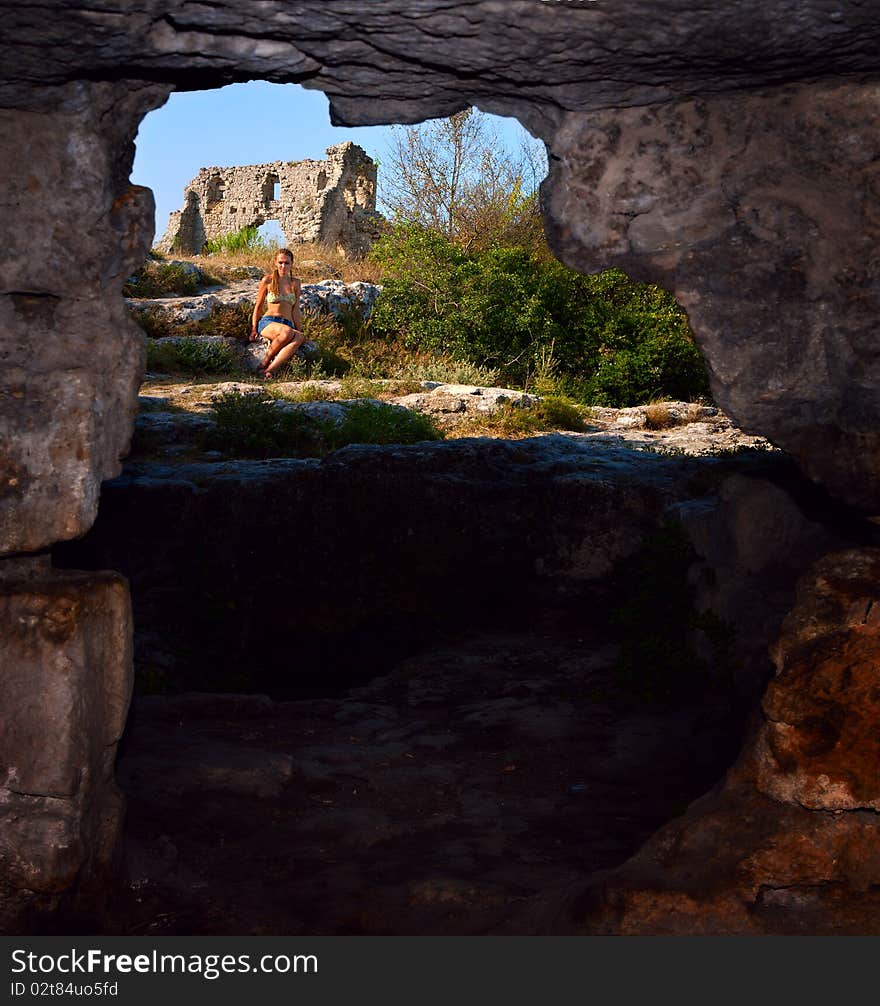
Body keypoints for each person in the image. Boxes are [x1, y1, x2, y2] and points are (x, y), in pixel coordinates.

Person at [249, 247, 306, 378]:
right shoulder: (268, 280)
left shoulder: (295, 283)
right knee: (287, 332)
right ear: (275, 263)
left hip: (287, 324)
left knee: (299, 337)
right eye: (280, 262)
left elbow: (295, 309)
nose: (283, 266)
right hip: (269, 322)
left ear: (292, 264)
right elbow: (258, 306)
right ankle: (265, 362)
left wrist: (299, 330)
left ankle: (269, 370)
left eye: (287, 263)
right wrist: (253, 329)